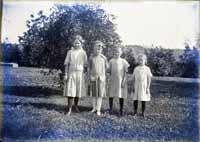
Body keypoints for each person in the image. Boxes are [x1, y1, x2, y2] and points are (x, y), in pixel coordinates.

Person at [63, 35, 88, 116]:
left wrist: (86, 74)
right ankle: (69, 109)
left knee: (78, 91)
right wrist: (66, 74)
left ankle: (76, 106)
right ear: (73, 44)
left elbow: (86, 64)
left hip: (80, 74)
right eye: (75, 43)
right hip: (71, 73)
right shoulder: (70, 52)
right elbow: (66, 64)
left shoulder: (83, 52)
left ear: (81, 44)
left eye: (78, 43)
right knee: (71, 91)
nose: (77, 44)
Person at [108, 47, 130, 116]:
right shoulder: (111, 61)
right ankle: (110, 109)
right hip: (113, 80)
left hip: (120, 80)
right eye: (115, 52)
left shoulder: (123, 61)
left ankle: (121, 109)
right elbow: (109, 71)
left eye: (118, 52)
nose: (117, 53)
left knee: (121, 95)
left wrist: (124, 80)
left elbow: (126, 72)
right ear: (113, 53)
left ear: (121, 53)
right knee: (111, 94)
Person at [88, 40, 108, 116]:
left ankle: (98, 109)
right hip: (93, 77)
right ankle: (94, 108)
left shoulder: (104, 58)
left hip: (101, 78)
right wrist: (89, 76)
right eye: (97, 47)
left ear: (102, 50)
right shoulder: (91, 57)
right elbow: (89, 68)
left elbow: (107, 67)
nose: (98, 49)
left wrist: (105, 59)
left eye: (100, 48)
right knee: (93, 94)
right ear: (94, 48)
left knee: (100, 95)